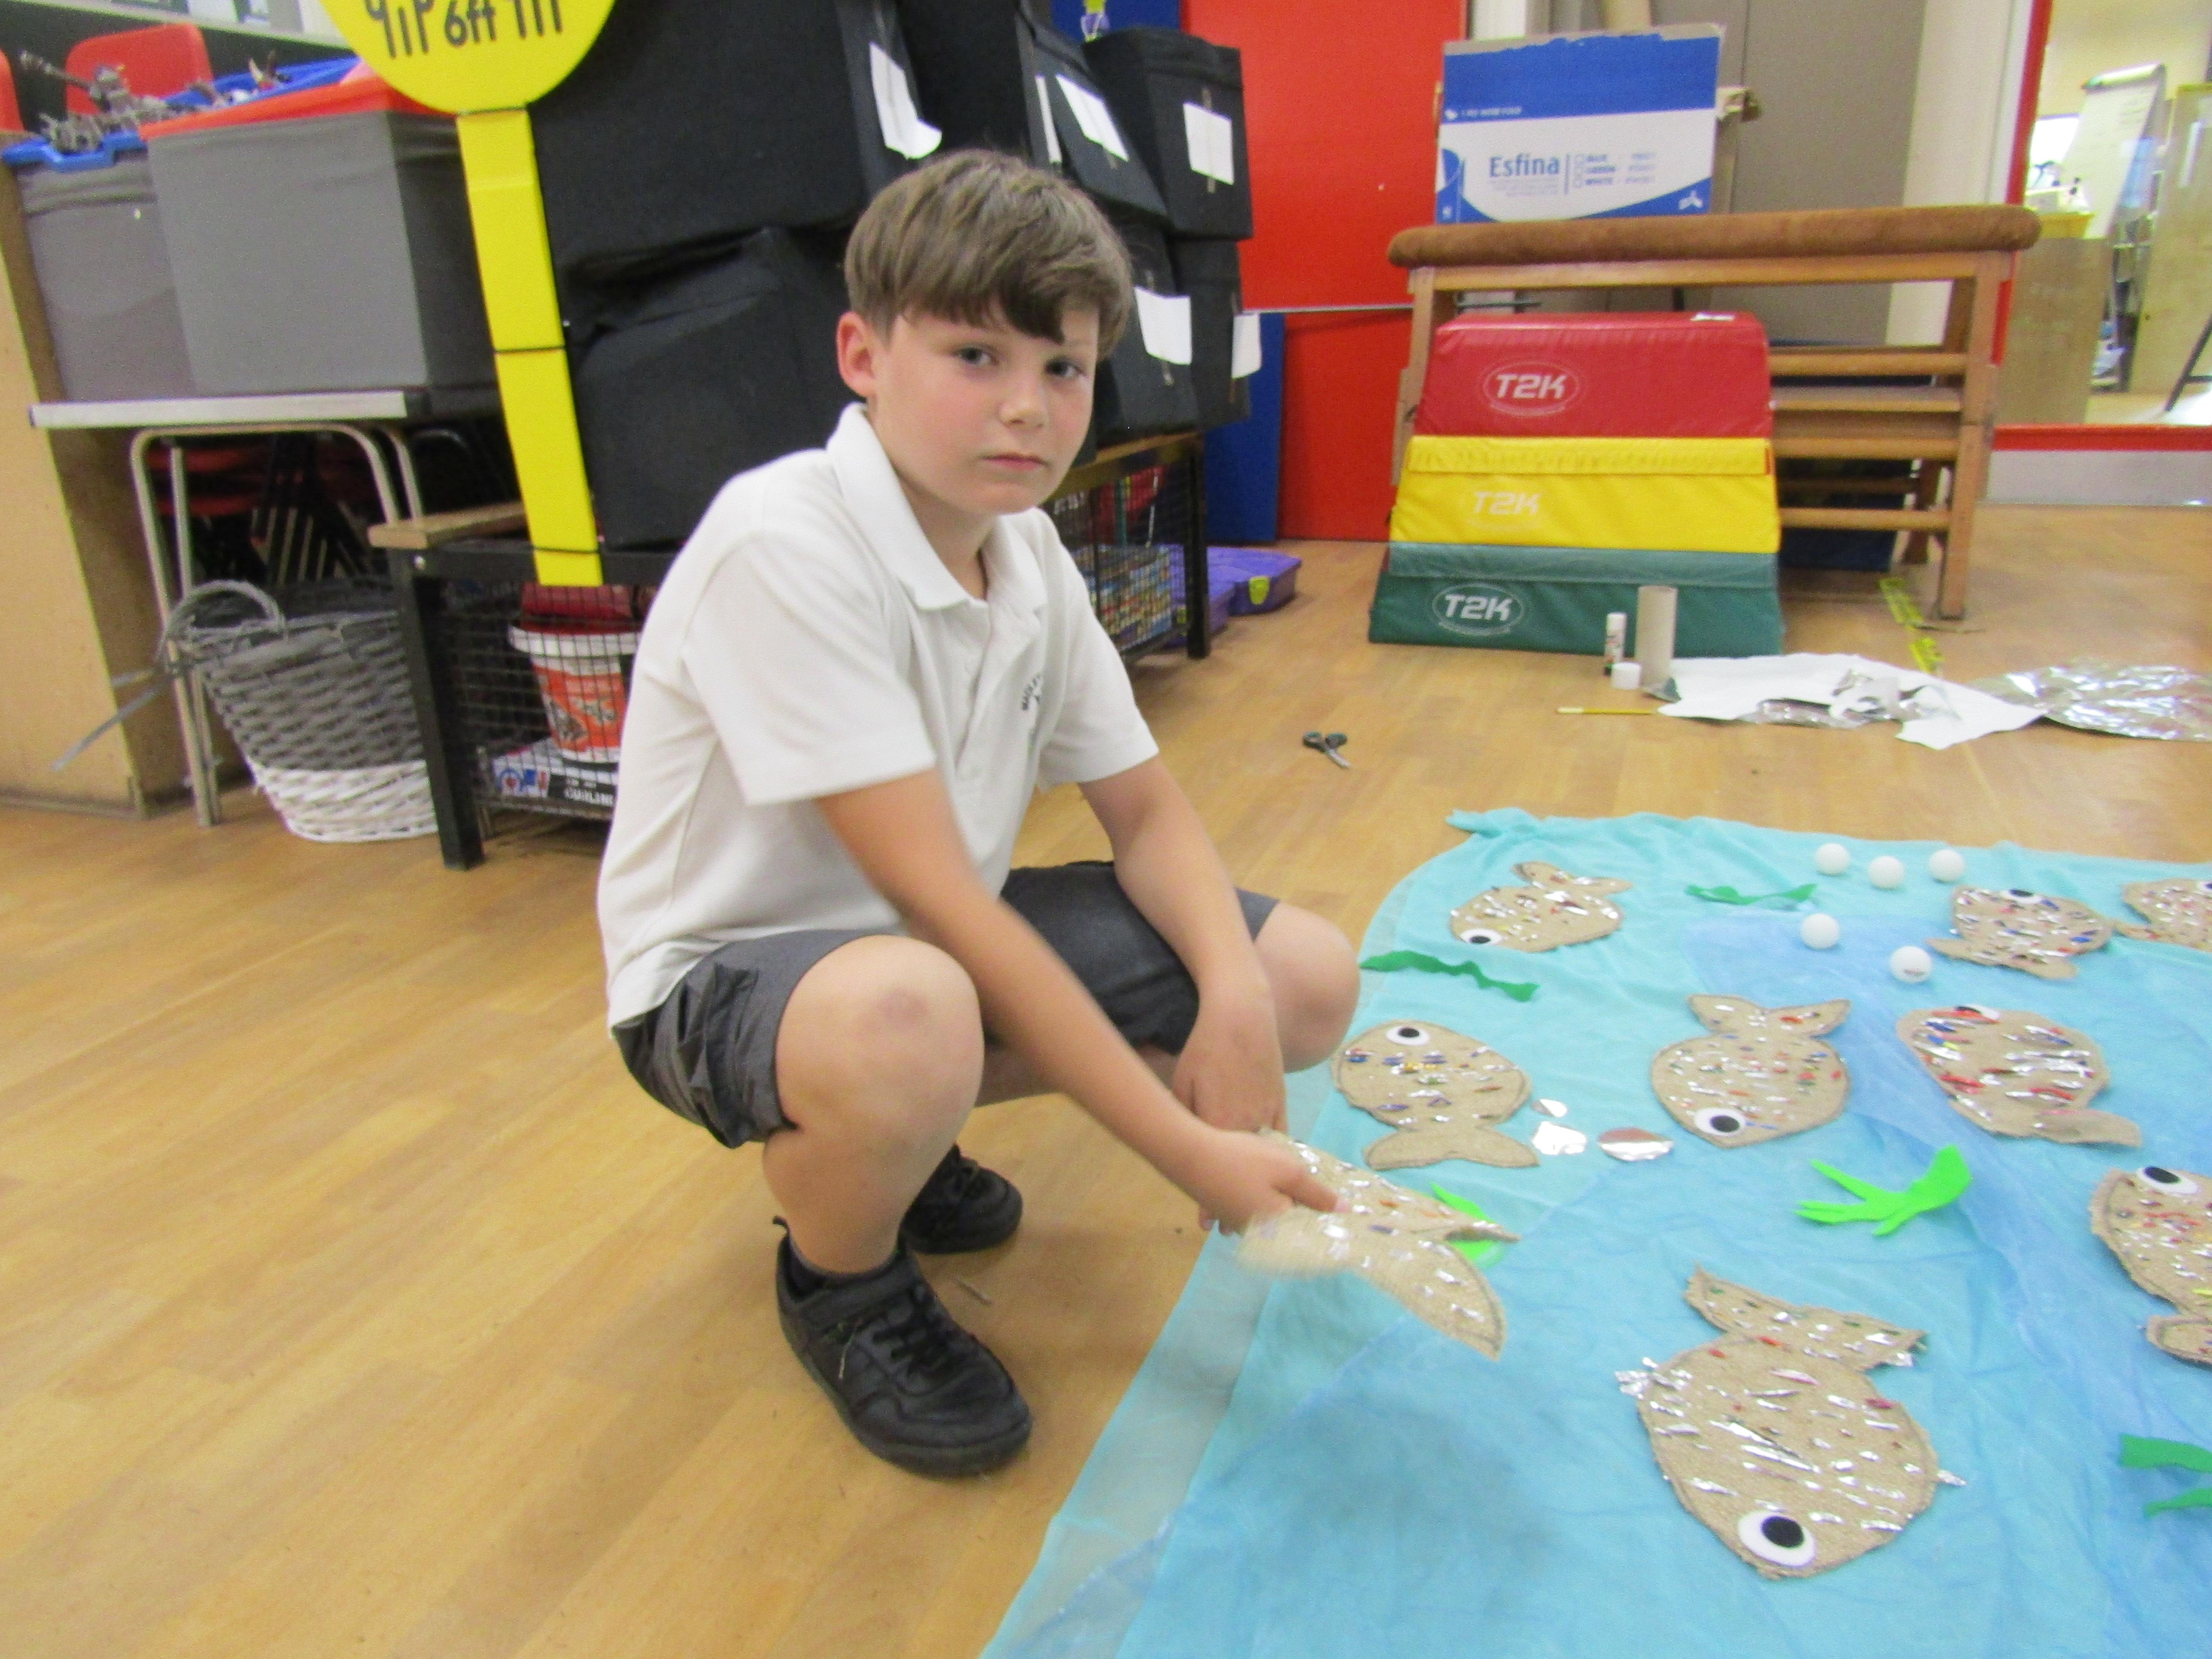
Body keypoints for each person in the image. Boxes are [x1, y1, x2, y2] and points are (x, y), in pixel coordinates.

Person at [597, 150, 1358, 1477]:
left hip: (920, 956)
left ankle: (901, 1129)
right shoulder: (785, 543)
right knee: (911, 1017)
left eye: (1063, 368)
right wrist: (1188, 1152)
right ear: (863, 353)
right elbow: (944, 902)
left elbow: (1147, 811)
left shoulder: (1028, 550)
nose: (1026, 408)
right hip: (724, 983)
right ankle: (842, 1277)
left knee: (1304, 978)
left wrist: (1234, 998)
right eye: (974, 356)